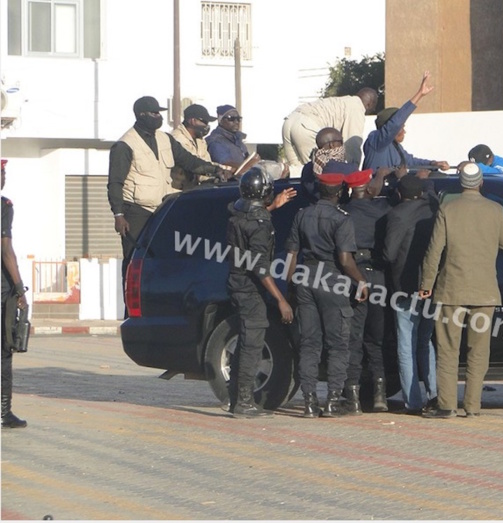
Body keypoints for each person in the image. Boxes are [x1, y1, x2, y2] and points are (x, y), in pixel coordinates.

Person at [419, 161, 503, 418]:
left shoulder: (447, 208)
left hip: (451, 290)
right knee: (478, 351)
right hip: (485, 292)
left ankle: (447, 405)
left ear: (460, 183)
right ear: (481, 183)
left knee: (448, 349)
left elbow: (434, 250)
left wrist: (426, 285)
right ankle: (473, 407)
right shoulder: (496, 210)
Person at [107, 95, 227, 286]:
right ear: (141, 115)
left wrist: (214, 169)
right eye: (154, 113)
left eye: (159, 113)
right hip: (136, 212)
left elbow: (188, 160)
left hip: (162, 209)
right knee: (133, 263)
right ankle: (130, 310)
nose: (158, 117)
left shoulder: (165, 139)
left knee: (161, 261)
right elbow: (115, 182)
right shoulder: (125, 144)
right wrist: (118, 214)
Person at [285, 173, 369, 418]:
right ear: (340, 192)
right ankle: (333, 400)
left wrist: (289, 286)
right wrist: (361, 281)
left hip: (306, 277)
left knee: (309, 344)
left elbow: (292, 253)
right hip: (332, 281)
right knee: (337, 344)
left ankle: (309, 402)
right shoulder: (342, 219)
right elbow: (345, 259)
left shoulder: (302, 214)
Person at [225, 168, 296, 418]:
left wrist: (272, 207)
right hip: (249, 287)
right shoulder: (260, 224)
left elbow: (250, 221)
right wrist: (281, 300)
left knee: (245, 341)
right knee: (252, 345)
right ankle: (244, 402)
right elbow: (260, 267)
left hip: (236, 281)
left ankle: (235, 398)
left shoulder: (237, 212)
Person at [383, 175, 439, 414]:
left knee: (406, 342)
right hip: (431, 285)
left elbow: (389, 253)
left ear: (400, 194)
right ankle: (435, 394)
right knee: (426, 341)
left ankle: (413, 402)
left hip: (405, 285)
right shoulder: (434, 210)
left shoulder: (397, 214)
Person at [341, 168, 392, 414]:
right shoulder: (382, 211)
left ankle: (352, 397)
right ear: (366, 187)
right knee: (376, 339)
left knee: (354, 339)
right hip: (378, 276)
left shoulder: (344, 213)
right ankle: (380, 394)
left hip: (354, 276)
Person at [362, 72, 449, 174]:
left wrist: (433, 164)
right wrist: (419, 94)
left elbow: (410, 161)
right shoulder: (377, 141)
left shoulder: (394, 146)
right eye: (402, 127)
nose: (404, 131)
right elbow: (396, 123)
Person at [282, 88, 379, 176]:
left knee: (296, 173)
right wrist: (354, 171)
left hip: (289, 121)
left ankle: (278, 170)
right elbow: (352, 143)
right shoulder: (357, 108)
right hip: (306, 126)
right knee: (317, 171)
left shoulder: (344, 101)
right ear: (369, 104)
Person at [1, 159, 27, 428]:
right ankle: (3, 412)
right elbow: (5, 250)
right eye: (1, 173)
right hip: (2, 292)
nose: (4, 177)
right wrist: (20, 289)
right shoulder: (3, 206)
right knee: (4, 351)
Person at [170, 104, 231, 190]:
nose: (207, 126)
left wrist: (222, 172)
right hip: (177, 191)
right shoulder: (177, 138)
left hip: (193, 188)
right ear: (193, 121)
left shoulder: (200, 140)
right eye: (205, 122)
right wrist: (217, 170)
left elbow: (205, 163)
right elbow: (193, 163)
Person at [300, 127, 358, 203]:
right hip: (339, 211)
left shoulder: (307, 168)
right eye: (341, 141)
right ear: (332, 145)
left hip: (312, 210)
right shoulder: (347, 169)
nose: (343, 145)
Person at [206, 105, 250, 173]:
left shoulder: (238, 140)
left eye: (238, 119)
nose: (236, 122)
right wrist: (249, 169)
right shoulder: (215, 142)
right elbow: (225, 164)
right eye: (231, 118)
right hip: (227, 182)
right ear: (221, 121)